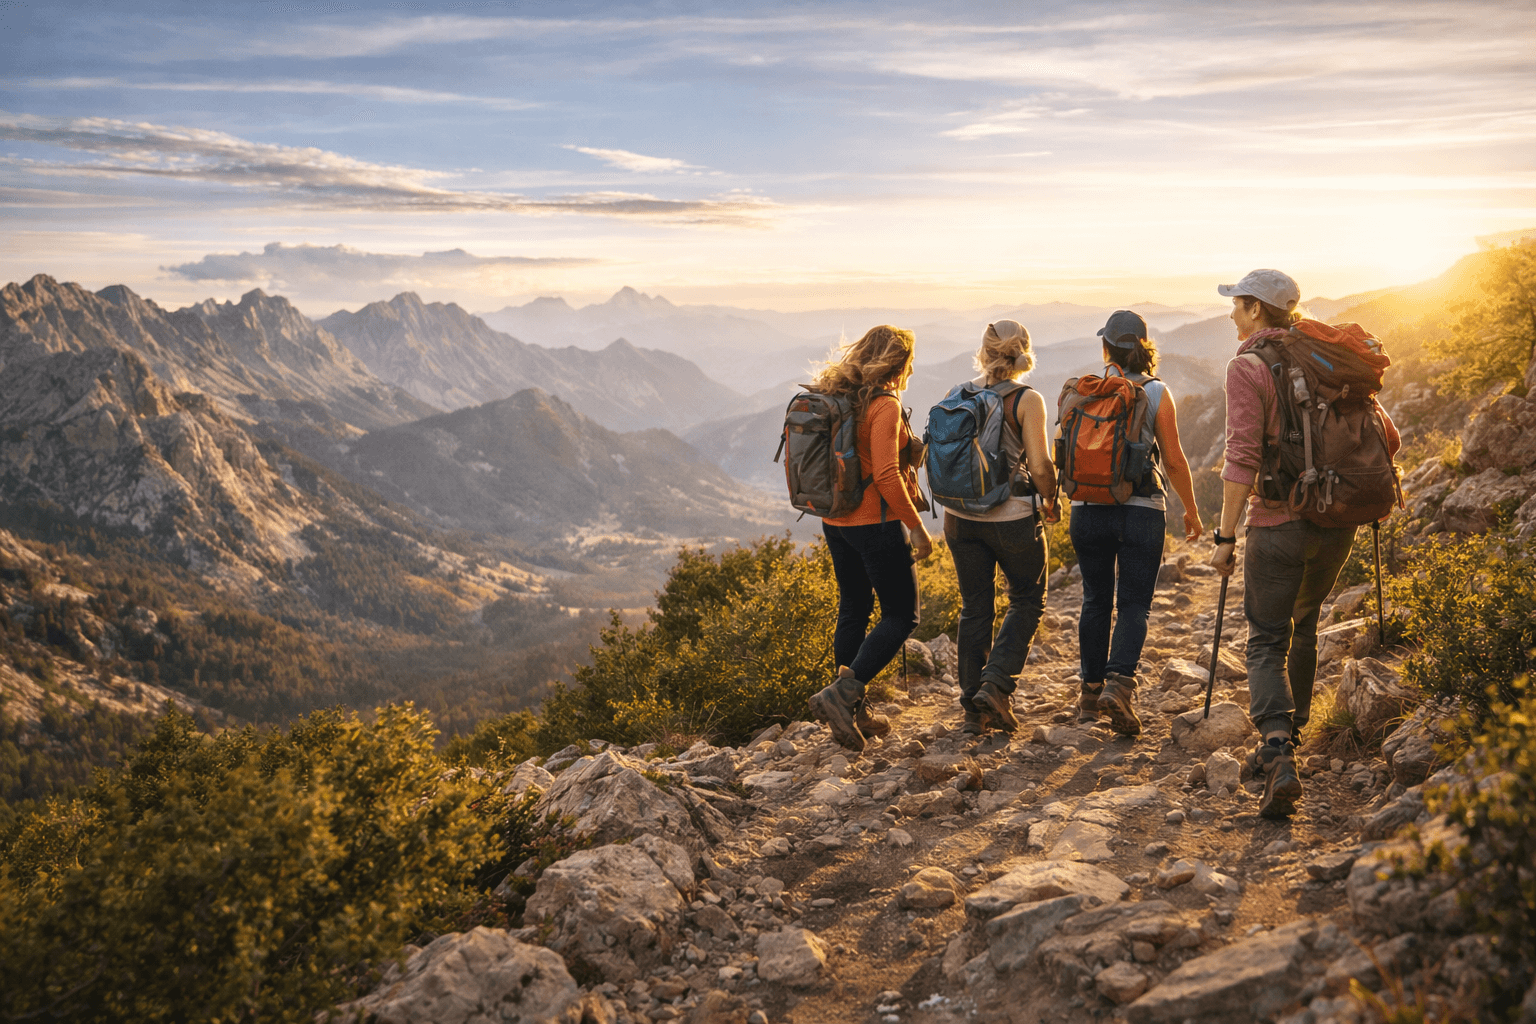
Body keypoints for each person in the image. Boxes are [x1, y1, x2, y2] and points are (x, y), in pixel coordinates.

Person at [1208, 269, 1401, 818]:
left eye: (1237, 305)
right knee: (1306, 621)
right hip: (1337, 518)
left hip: (1278, 521)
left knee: (1266, 637)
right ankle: (1293, 732)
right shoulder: (1328, 359)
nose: (1231, 314)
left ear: (1256, 310)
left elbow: (1241, 456)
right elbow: (1390, 437)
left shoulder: (1248, 366)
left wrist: (1225, 537)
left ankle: (1274, 751)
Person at [1071, 310, 1205, 735]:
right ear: (1145, 349)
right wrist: (1192, 509)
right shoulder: (1156, 391)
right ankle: (1120, 685)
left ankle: (1089, 696)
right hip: (1141, 509)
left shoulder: (1087, 390)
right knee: (1133, 604)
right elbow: (1175, 459)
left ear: (1107, 348)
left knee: (1095, 600)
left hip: (1087, 508)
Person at [806, 325, 934, 752]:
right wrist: (916, 528)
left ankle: (852, 710)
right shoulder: (883, 404)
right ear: (900, 363)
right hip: (873, 523)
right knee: (902, 614)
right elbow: (884, 474)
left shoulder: (839, 394)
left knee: (855, 609)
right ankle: (844, 693)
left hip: (835, 520)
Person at [942, 320, 1059, 737]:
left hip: (959, 520)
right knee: (1027, 599)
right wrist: (1052, 499)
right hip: (1010, 519)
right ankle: (996, 686)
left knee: (975, 606)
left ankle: (974, 709)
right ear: (1024, 351)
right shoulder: (1027, 400)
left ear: (984, 351)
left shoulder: (959, 393)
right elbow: (1041, 466)